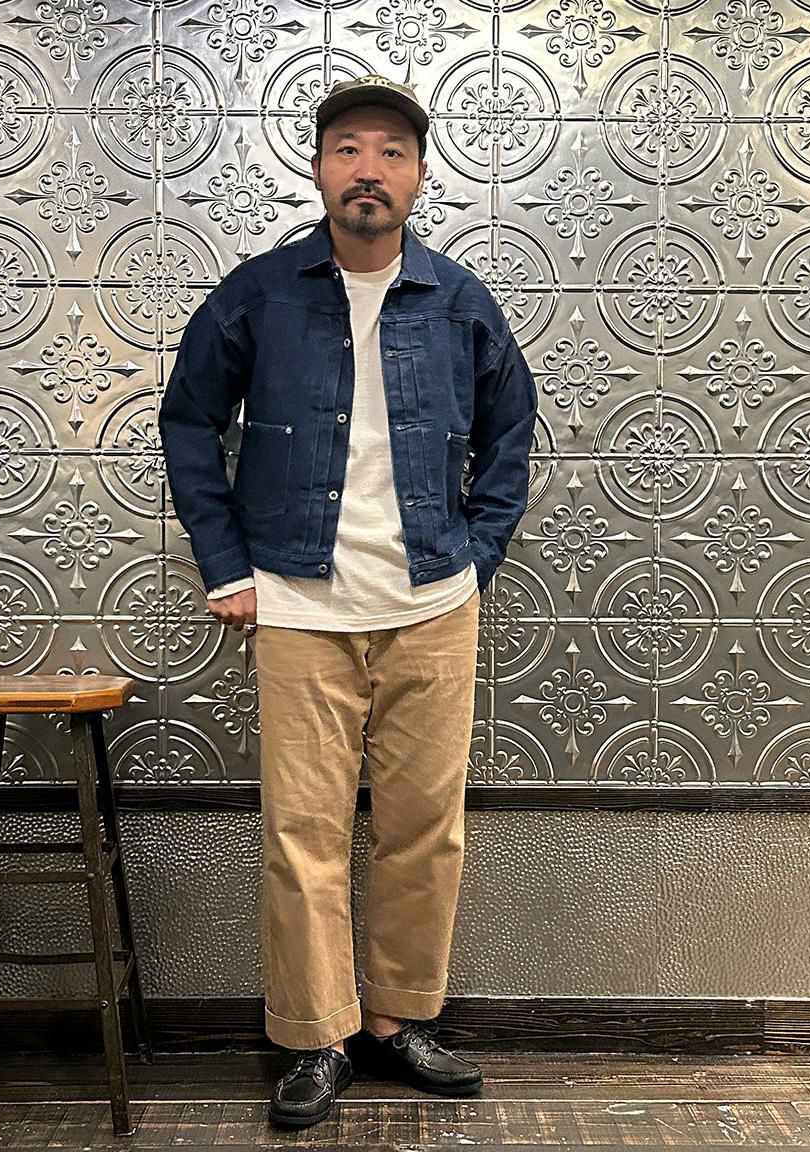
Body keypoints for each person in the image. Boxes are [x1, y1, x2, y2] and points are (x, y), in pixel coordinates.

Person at [158, 73, 537, 1130]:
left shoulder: (460, 301)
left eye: (391, 153)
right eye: (349, 150)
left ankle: (395, 1021)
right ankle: (314, 1035)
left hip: (431, 603)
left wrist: (477, 556)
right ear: (320, 168)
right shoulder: (259, 294)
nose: (369, 170)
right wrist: (228, 566)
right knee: (303, 833)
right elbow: (189, 420)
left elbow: (512, 434)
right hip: (297, 604)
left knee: (424, 830)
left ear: (418, 175)